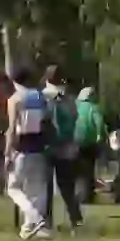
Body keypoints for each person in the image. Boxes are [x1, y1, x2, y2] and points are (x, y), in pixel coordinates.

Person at [5, 66, 52, 240]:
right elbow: (47, 122)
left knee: (13, 188)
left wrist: (7, 154)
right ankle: (31, 228)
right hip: (39, 146)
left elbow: (11, 129)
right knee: (37, 189)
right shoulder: (41, 97)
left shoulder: (15, 99)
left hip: (21, 147)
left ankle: (34, 217)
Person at [48, 78, 83, 228]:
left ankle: (48, 219)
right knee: (66, 186)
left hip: (54, 147)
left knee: (51, 186)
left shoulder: (45, 97)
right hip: (66, 147)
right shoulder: (70, 101)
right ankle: (75, 217)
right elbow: (75, 120)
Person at [73, 87, 106, 202]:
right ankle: (86, 196)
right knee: (88, 169)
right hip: (89, 142)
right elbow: (99, 123)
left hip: (74, 141)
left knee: (78, 170)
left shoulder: (75, 105)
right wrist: (100, 136)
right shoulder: (94, 107)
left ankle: (79, 194)